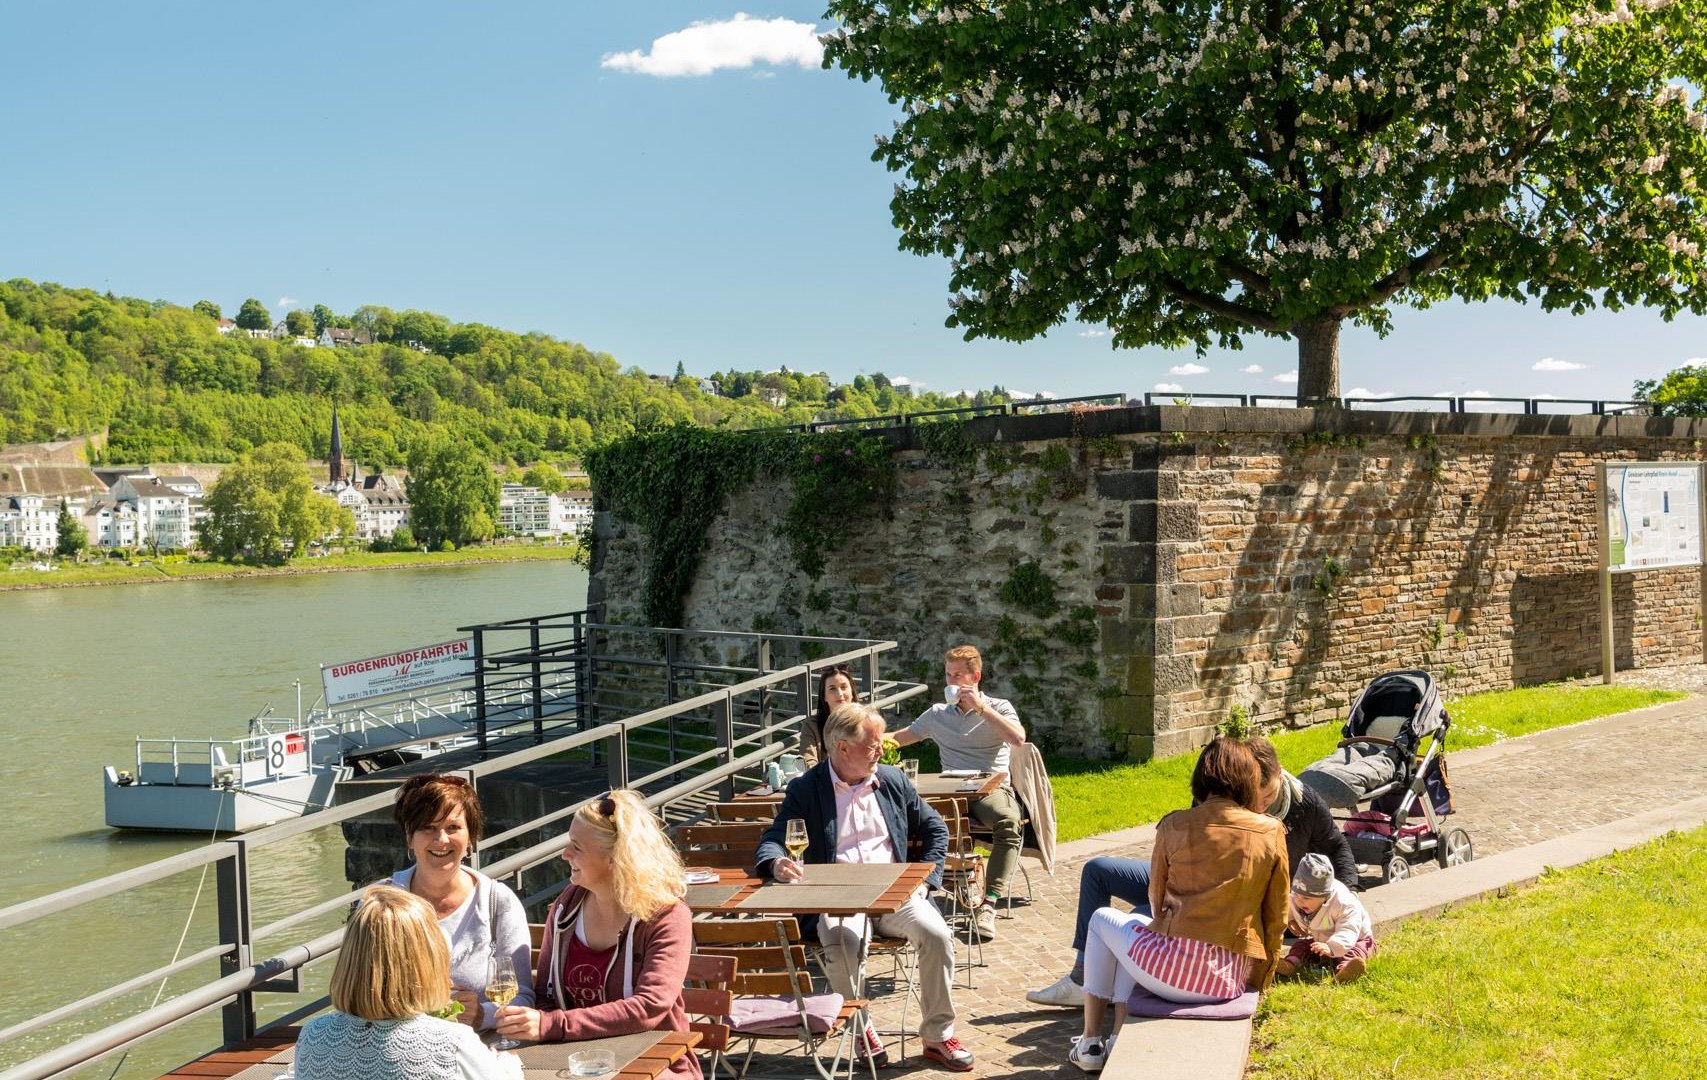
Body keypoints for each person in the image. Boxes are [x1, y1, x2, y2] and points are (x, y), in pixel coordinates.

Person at [1028, 732, 1357, 1008]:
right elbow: (1184, 853)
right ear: (1241, 783)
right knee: (1098, 869)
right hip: (1189, 884)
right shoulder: (1215, 800)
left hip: (1228, 903)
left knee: (1143, 916)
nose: (1261, 806)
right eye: (1255, 798)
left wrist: (1339, 902)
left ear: (1279, 777)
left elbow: (1335, 846)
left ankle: (1112, 996)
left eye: (1268, 797)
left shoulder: (1297, 809)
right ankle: (1082, 976)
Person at [755, 702, 975, 1073]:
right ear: (842, 747)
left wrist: (925, 879)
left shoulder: (891, 780)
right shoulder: (807, 788)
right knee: (841, 944)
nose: (881, 750)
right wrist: (777, 861)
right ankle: (861, 1029)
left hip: (896, 895)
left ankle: (937, 1035)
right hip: (840, 900)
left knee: (937, 935)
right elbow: (775, 838)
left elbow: (935, 828)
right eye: (873, 744)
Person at [1068, 738, 1289, 1073]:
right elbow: (1277, 917)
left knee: (1105, 920)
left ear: (1200, 778)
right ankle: (1114, 1038)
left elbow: (1156, 904)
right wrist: (1261, 981)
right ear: (1248, 780)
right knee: (1136, 933)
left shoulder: (1174, 824)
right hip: (1226, 982)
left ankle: (1090, 1041)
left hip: (1169, 974)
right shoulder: (1272, 831)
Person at [495, 789, 702, 1080]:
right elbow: (545, 996)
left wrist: (553, 1025)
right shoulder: (566, 909)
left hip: (655, 1063)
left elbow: (649, 1007)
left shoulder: (665, 915)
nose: (565, 854)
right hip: (575, 1062)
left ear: (616, 859)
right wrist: (532, 1022)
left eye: (577, 847)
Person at [294, 885, 519, 1080]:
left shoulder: (313, 1035)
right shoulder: (451, 1042)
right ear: (426, 962)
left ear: (349, 959)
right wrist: (510, 1064)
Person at [891, 643, 1025, 941]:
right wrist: (859, 735)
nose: (951, 682)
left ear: (975, 676)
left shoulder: (999, 707)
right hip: (946, 791)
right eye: (948, 675)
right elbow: (900, 738)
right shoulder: (938, 713)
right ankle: (912, 895)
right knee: (899, 820)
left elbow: (1017, 738)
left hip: (986, 790)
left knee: (1007, 822)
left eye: (958, 676)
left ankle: (989, 903)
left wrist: (982, 708)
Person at [391, 773, 534, 1032]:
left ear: (470, 839)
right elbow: (357, 993)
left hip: (479, 1052)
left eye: (453, 827)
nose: (442, 839)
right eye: (428, 828)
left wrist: (482, 1015)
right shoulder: (384, 904)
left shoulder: (496, 901)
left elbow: (522, 997)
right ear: (409, 837)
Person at [1276, 853, 1377, 983]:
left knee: (1354, 952)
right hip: (1322, 940)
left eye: (1306, 898)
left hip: (1354, 940)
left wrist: (1332, 947)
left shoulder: (1343, 903)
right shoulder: (1297, 899)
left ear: (1325, 895)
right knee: (1301, 946)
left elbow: (1348, 929)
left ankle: (1345, 971)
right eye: (1297, 895)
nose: (1300, 902)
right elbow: (1284, 910)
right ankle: (1289, 964)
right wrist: (1289, 919)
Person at [799, 662, 858, 768]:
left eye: (844, 687)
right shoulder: (812, 726)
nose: (840, 694)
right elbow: (808, 762)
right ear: (824, 696)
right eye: (832, 689)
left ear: (852, 692)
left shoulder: (865, 721)